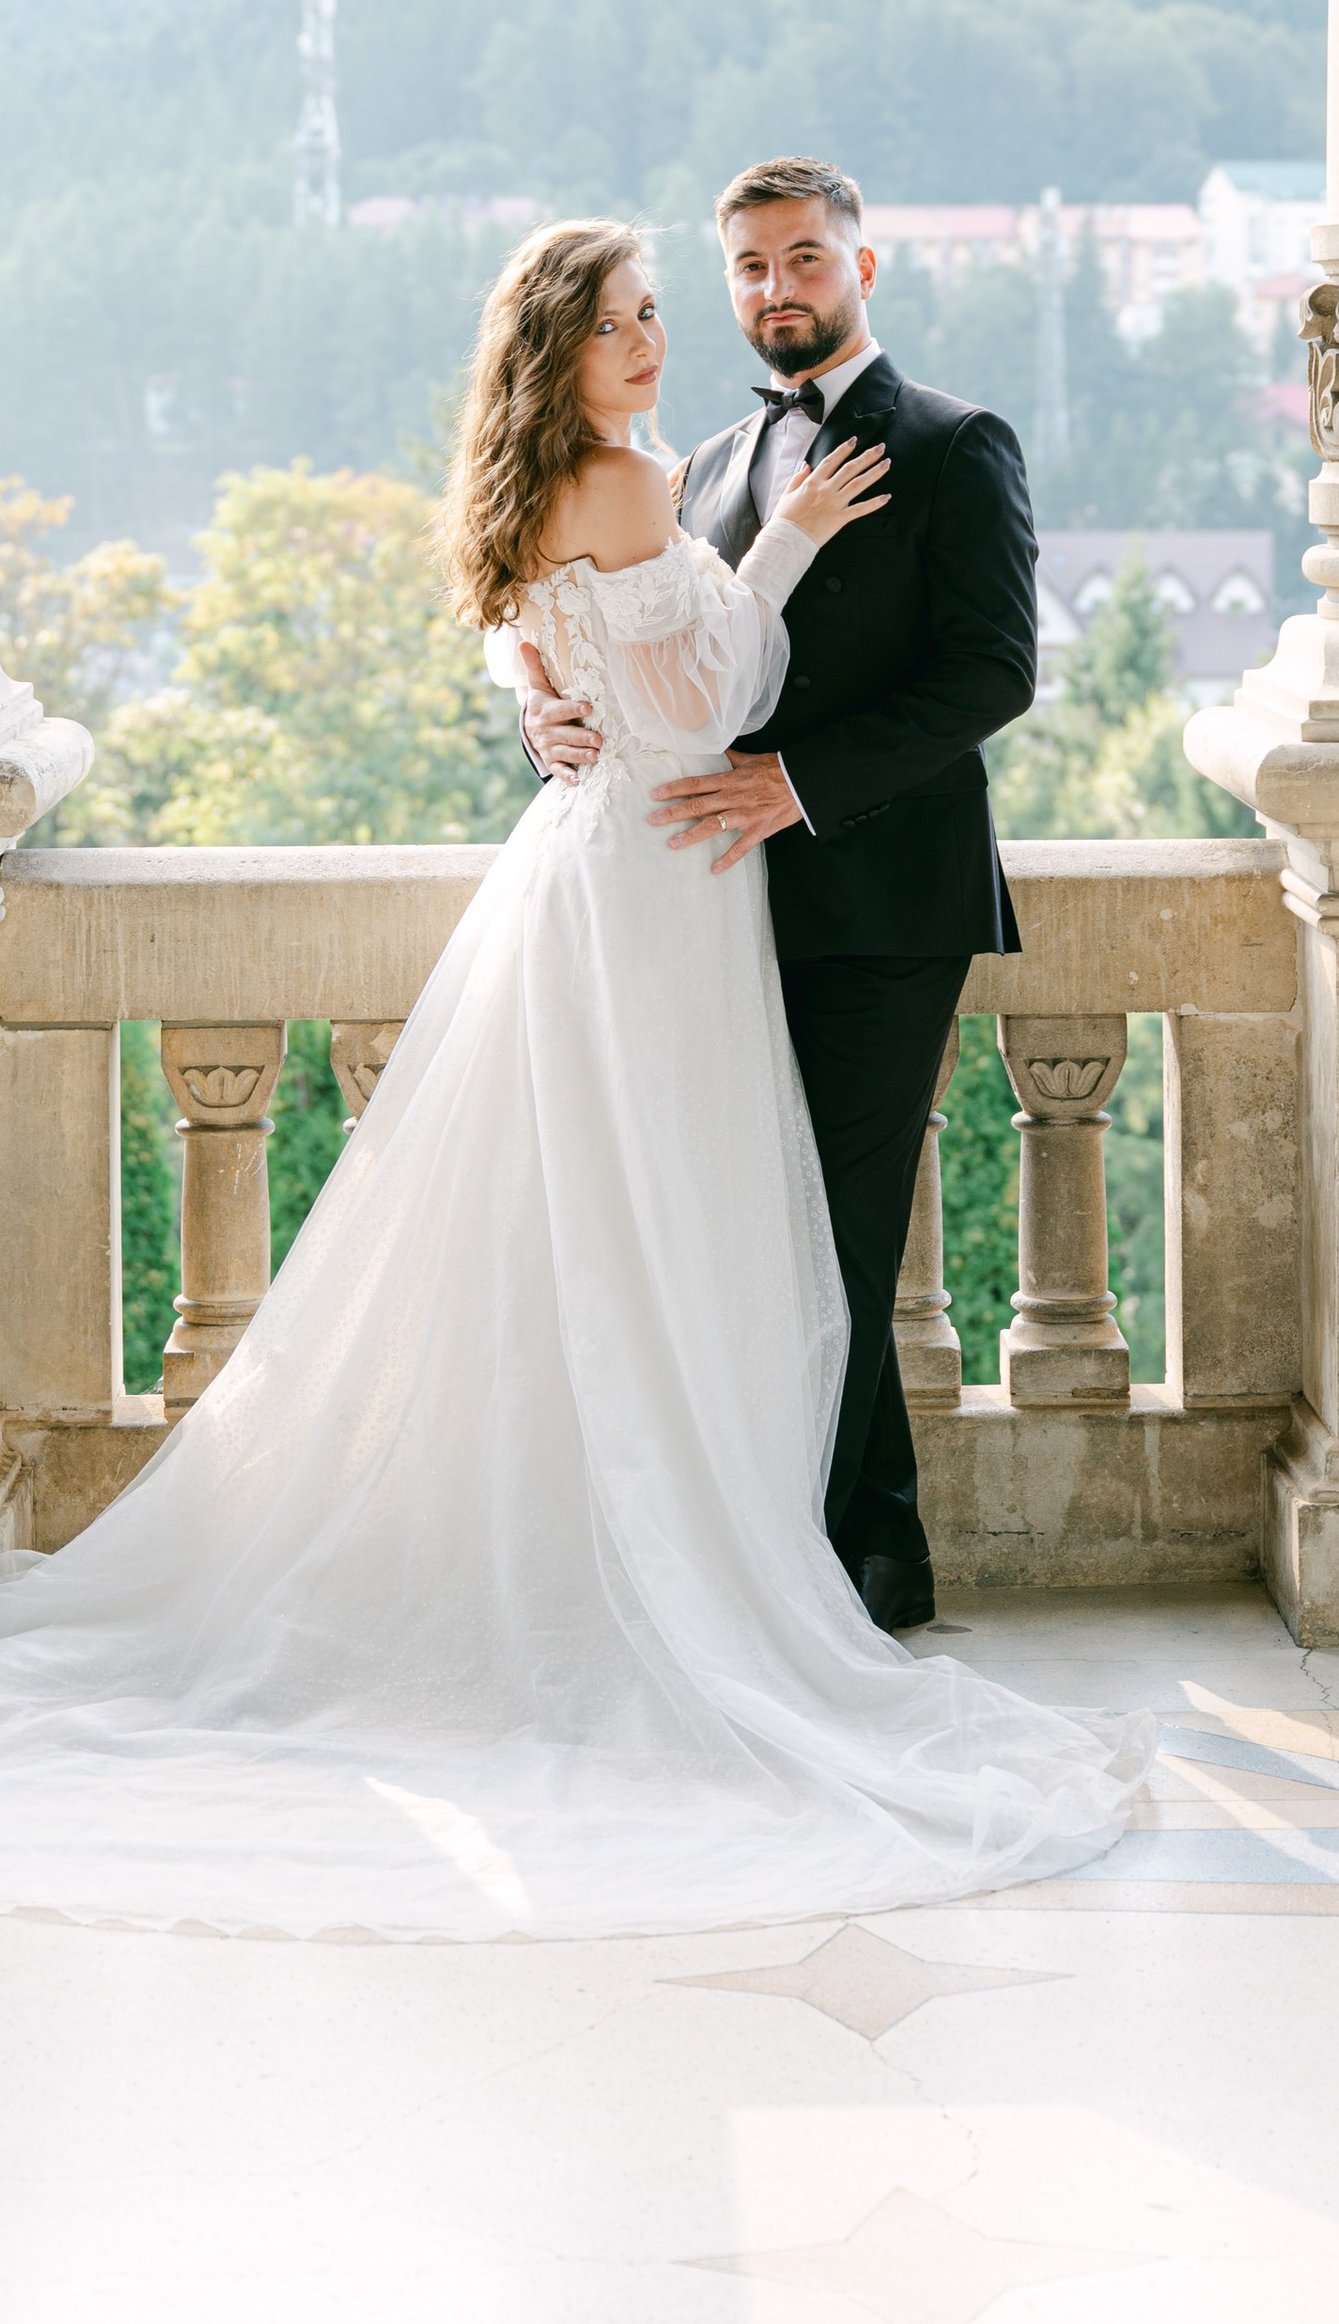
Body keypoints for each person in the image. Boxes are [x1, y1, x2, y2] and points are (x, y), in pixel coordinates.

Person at [0, 219, 1138, 1943]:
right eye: (636, 315)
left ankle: (738, 1562)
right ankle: (696, 1580)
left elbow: (689, 645)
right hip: (661, 887)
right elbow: (704, 685)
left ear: (855, 269)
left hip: (661, 883)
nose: (670, 335)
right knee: (667, 1239)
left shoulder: (698, 461)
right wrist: (743, 585)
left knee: (664, 1239)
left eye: (676, 307)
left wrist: (556, 679)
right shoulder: (649, 474)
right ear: (567, 344)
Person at [511, 158, 1035, 1633]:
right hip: (706, 912)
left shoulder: (954, 442)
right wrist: (539, 715)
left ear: (864, 265)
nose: (774, 290)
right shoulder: (704, 464)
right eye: (748, 267)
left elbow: (996, 671)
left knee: (839, 1249)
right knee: (739, 1235)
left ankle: (850, 1566)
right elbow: (622, 639)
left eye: (804, 258)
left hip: (879, 906)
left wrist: (800, 783)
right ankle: (795, 1551)